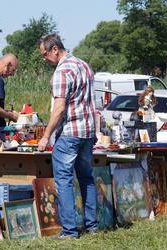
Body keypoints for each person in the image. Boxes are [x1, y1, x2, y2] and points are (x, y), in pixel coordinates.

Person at [37, 34, 97, 239]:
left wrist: (45, 136)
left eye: (45, 54)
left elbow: (59, 109)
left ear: (55, 49)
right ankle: (92, 226)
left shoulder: (61, 72)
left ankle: (69, 231)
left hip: (70, 133)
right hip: (88, 132)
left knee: (64, 181)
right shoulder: (84, 65)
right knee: (86, 178)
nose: (44, 59)